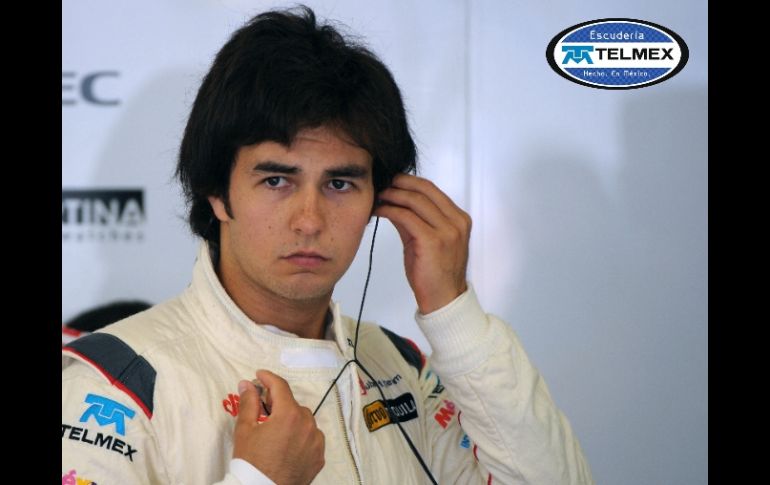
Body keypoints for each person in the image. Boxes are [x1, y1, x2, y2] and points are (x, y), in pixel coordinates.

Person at [62, 6, 594, 484]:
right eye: (277, 180)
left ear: (380, 200)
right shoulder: (118, 385)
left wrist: (453, 313)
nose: (310, 220)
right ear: (217, 193)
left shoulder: (401, 370)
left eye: (339, 183)